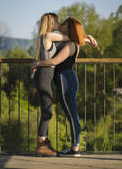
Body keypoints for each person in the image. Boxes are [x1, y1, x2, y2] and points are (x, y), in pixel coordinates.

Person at [33, 13, 97, 157]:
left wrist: (39, 63)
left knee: (68, 113)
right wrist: (85, 37)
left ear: (69, 27)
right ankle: (65, 146)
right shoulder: (56, 38)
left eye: (63, 23)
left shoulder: (69, 43)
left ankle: (74, 148)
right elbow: (73, 37)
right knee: (60, 112)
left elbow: (55, 61)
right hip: (60, 78)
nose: (60, 24)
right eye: (58, 22)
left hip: (65, 79)